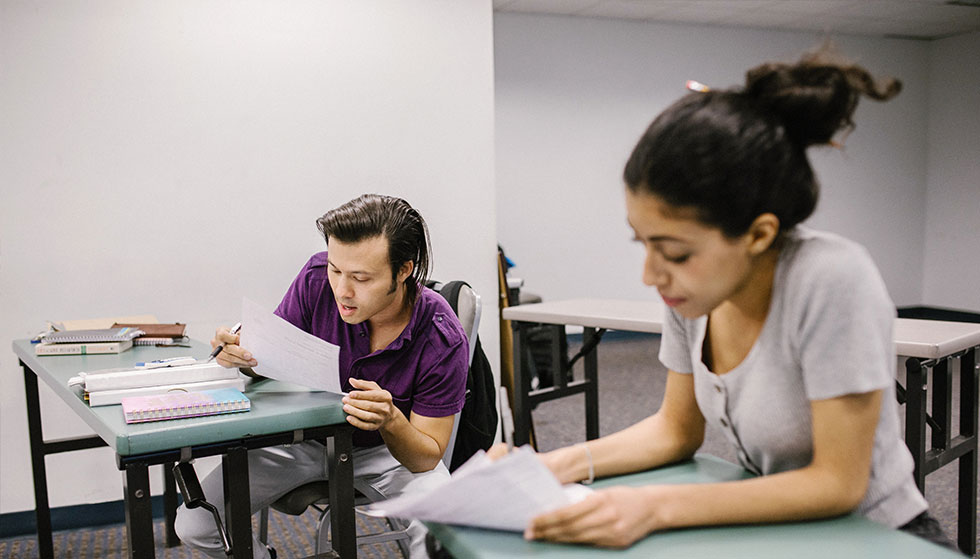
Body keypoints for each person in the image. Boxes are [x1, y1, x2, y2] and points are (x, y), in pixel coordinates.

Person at [504, 45, 959, 552]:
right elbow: (675, 430)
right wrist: (552, 465)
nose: (651, 274)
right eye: (643, 243)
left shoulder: (830, 278)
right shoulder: (693, 296)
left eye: (675, 252)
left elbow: (838, 483)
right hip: (784, 529)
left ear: (759, 235)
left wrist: (653, 507)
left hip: (880, 537)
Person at [175, 194, 469, 559]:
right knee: (197, 525)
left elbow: (426, 458)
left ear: (404, 270)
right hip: (303, 439)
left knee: (451, 532)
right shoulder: (316, 279)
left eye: (361, 278)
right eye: (336, 270)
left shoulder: (441, 336)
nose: (342, 291)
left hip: (387, 452)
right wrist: (240, 355)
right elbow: (268, 360)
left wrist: (392, 420)